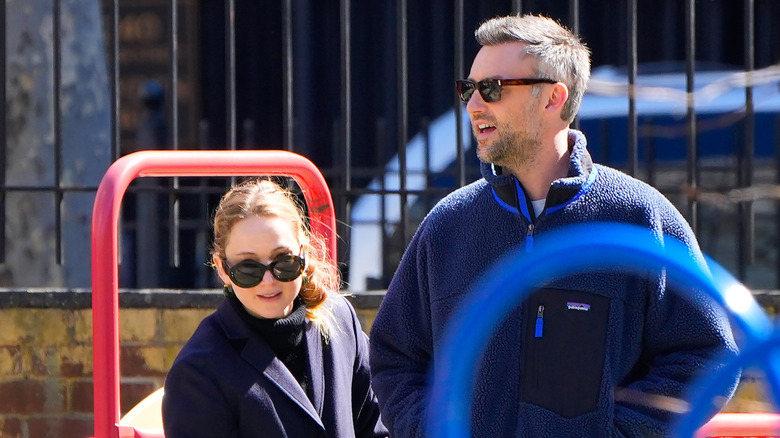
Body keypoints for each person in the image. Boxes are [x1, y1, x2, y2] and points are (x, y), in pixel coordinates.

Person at [368, 13, 739, 437]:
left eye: (492, 89)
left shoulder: (639, 217)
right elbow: (394, 357)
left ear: (553, 98)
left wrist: (619, 433)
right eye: (467, 88)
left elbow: (707, 357)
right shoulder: (447, 225)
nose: (473, 105)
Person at [162, 178, 388, 437]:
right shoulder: (198, 371)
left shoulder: (340, 319)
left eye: (284, 261)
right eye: (249, 268)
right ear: (223, 269)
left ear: (303, 253)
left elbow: (376, 426)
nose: (268, 281)